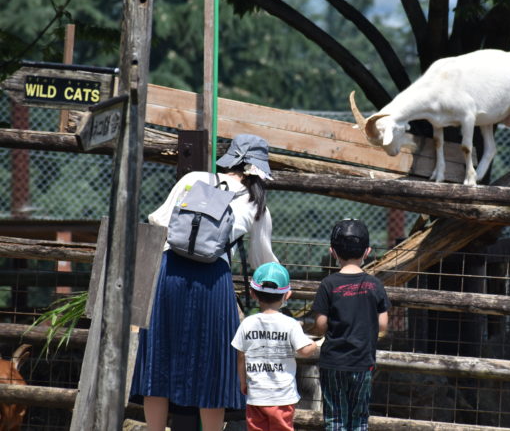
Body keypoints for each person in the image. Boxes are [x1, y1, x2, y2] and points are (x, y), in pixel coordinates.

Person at [130, 134, 279, 431]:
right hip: (214, 284)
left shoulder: (195, 178)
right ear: (258, 169)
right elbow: (263, 262)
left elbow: (158, 219)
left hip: (169, 274)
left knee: (159, 361)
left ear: (232, 158)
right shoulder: (256, 203)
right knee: (213, 367)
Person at [312, 219, 391, 431]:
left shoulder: (328, 284)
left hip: (333, 362)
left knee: (335, 418)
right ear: (367, 252)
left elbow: (320, 325)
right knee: (358, 419)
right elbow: (382, 323)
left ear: (332, 251)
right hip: (362, 361)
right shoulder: (375, 284)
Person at [231, 262, 317, 431]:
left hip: (256, 394)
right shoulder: (290, 324)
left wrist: (242, 380)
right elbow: (305, 351)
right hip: (282, 397)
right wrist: (314, 344)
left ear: (253, 293)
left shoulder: (247, 323)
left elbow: (241, 356)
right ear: (287, 295)